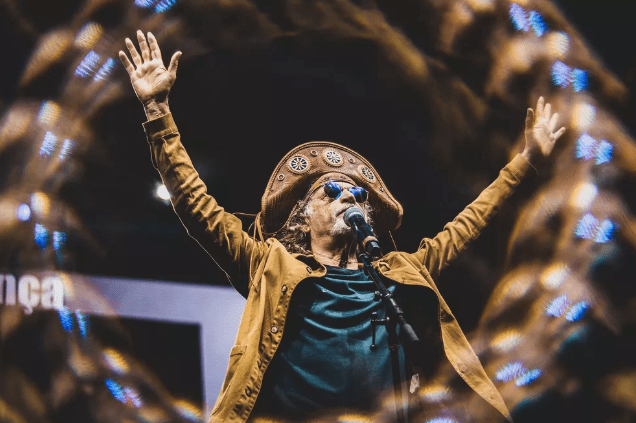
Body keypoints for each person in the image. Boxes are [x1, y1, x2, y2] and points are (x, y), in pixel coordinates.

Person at [119, 30, 566, 423]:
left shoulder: (402, 272)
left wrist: (525, 162)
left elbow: (469, 224)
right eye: (330, 192)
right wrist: (158, 111)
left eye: (358, 195)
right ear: (302, 217)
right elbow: (195, 204)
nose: (349, 197)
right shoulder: (269, 265)